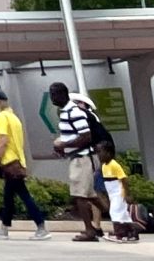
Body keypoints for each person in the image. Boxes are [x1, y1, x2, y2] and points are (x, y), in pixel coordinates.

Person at [49, 82, 108, 243]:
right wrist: (62, 147)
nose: (52, 98)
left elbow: (86, 137)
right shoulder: (65, 112)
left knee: (79, 195)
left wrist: (64, 145)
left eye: (54, 94)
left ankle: (90, 230)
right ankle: (118, 216)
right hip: (77, 157)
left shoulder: (74, 112)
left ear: (62, 94)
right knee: (90, 195)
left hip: (82, 158)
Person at [0, 89, 46, 240]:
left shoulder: (1, 117)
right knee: (9, 197)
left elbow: (3, 141)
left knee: (23, 196)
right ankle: (4, 227)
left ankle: (41, 226)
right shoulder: (13, 117)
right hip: (18, 161)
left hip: (9, 162)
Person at [97, 139, 135, 242]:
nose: (99, 155)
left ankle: (119, 233)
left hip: (119, 193)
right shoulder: (104, 166)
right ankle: (131, 233)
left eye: (100, 152)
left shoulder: (114, 165)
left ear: (108, 153)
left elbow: (123, 179)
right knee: (123, 213)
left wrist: (127, 194)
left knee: (115, 212)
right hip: (112, 194)